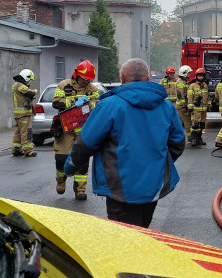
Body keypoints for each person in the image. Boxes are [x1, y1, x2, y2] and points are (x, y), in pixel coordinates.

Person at [65, 58, 184, 228]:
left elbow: (86, 143)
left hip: (120, 189)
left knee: (126, 241)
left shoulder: (108, 105)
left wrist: (70, 166)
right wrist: (156, 164)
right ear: (148, 78)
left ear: (121, 78)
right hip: (153, 186)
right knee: (142, 230)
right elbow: (177, 143)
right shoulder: (166, 106)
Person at [52, 60, 101, 199]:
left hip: (84, 129)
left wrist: (88, 103)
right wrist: (75, 101)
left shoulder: (92, 89)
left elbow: (97, 103)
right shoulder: (63, 85)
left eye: (89, 80)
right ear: (77, 75)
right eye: (85, 79)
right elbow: (56, 102)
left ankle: (80, 190)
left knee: (83, 160)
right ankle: (60, 181)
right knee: (61, 158)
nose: (87, 82)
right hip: (66, 128)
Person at [11, 69, 38, 157]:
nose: (28, 82)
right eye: (28, 80)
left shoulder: (16, 85)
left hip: (19, 114)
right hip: (24, 114)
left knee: (18, 132)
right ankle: (28, 150)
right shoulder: (19, 85)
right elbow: (30, 93)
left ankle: (16, 149)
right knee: (26, 132)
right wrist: (35, 91)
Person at [186, 67, 210, 146]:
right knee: (195, 124)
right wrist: (190, 107)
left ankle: (199, 139)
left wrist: (209, 105)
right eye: (199, 76)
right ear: (196, 76)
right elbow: (189, 97)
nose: (201, 77)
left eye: (202, 76)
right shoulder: (192, 85)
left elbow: (207, 96)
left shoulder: (205, 85)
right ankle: (194, 139)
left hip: (204, 109)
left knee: (202, 125)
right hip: (196, 109)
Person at [175, 65, 193, 134]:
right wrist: (183, 106)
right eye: (188, 73)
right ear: (184, 73)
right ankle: (190, 138)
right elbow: (181, 96)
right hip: (182, 107)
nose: (190, 74)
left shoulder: (183, 82)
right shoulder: (181, 83)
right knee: (187, 122)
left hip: (183, 106)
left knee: (185, 122)